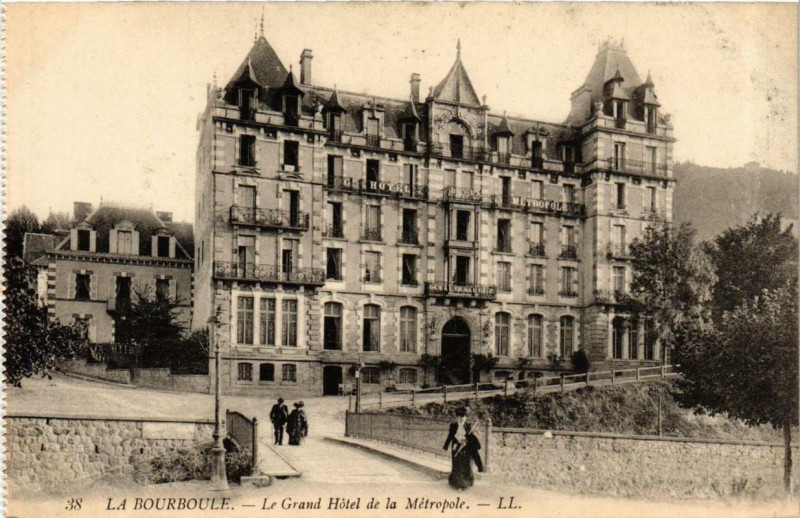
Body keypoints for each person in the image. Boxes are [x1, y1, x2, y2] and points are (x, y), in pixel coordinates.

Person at [442, 406, 483, 490]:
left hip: (465, 448)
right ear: (457, 417)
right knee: (457, 465)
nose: (461, 418)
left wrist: (468, 438)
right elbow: (450, 436)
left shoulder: (468, 426)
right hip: (456, 448)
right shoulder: (453, 426)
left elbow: (471, 437)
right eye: (460, 416)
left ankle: (466, 483)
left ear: (466, 417)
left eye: (463, 416)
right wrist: (446, 446)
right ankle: (456, 484)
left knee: (466, 465)